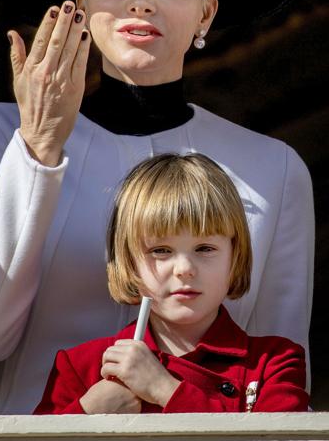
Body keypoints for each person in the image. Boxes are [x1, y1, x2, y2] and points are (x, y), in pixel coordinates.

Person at [0, 0, 314, 415]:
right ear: (81, 3)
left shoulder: (271, 168)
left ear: (206, 10)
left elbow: (279, 383)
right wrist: (39, 149)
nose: (141, 2)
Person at [34, 153, 308, 414]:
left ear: (235, 257)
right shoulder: (82, 367)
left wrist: (164, 389)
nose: (185, 269)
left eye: (204, 248)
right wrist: (87, 413)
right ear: (130, 263)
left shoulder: (273, 362)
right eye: (161, 251)